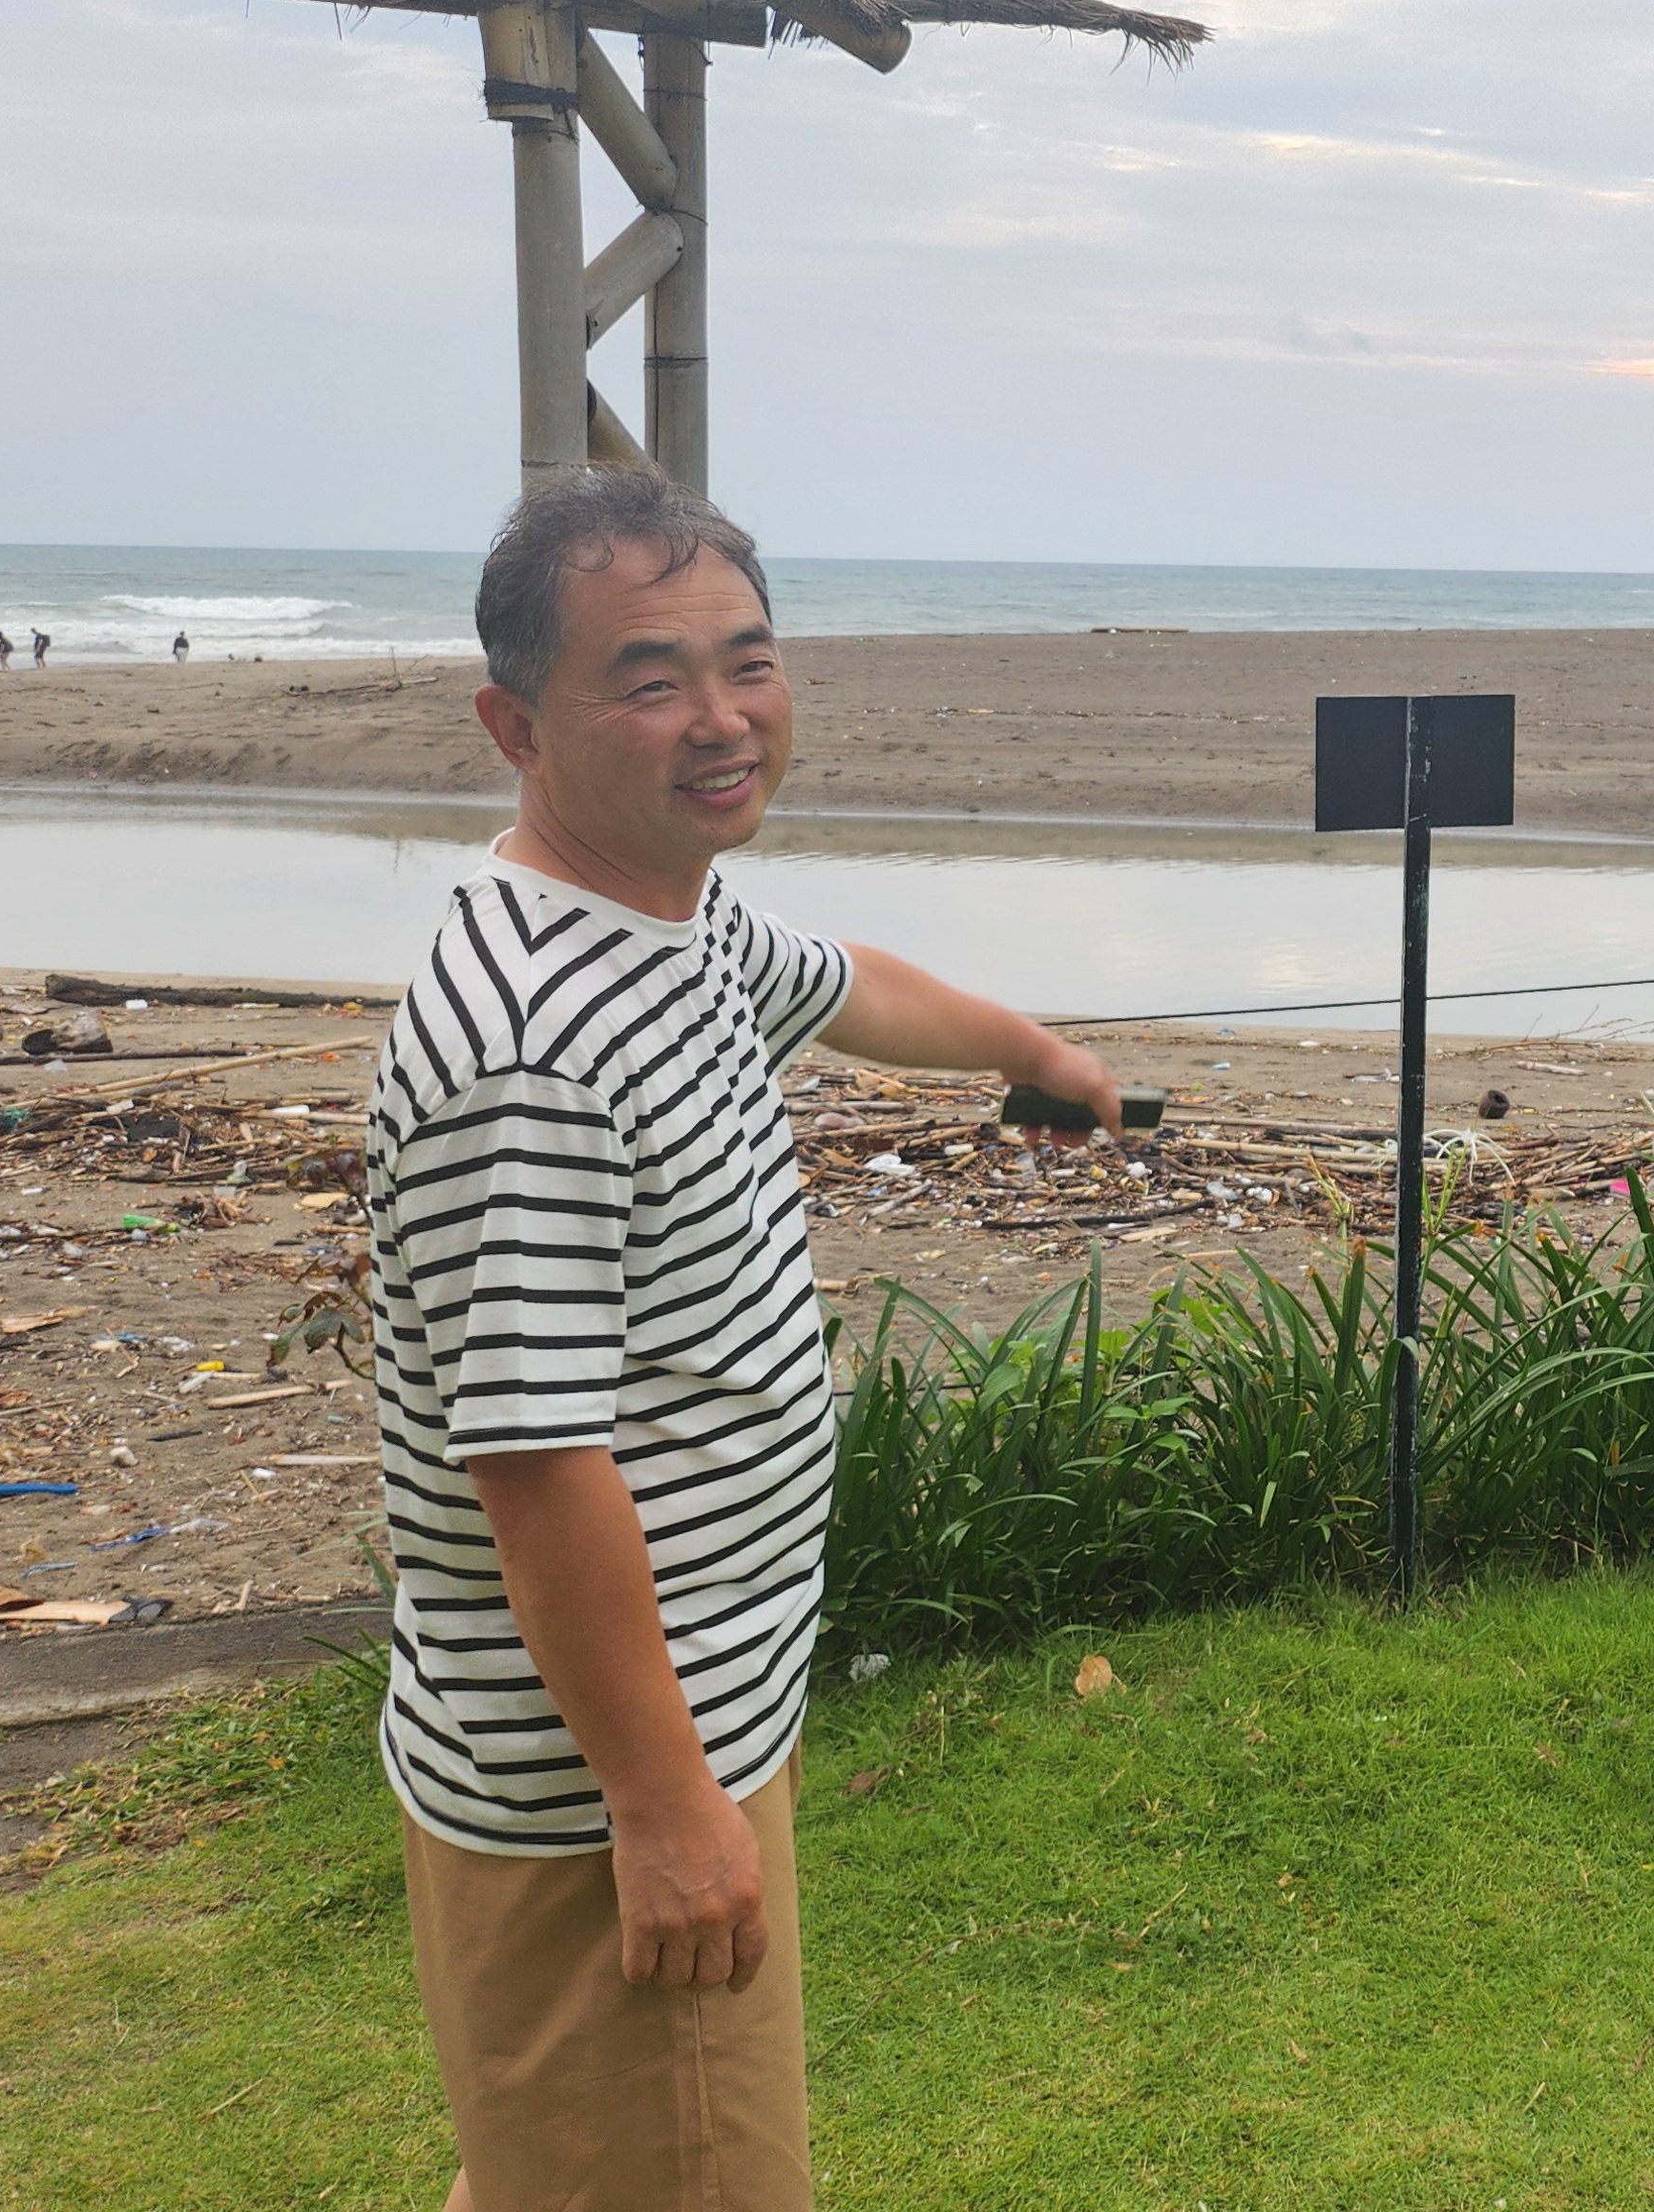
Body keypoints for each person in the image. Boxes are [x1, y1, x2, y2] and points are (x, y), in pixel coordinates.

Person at [366, 469, 1120, 2212]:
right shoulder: (534, 1046)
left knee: (555, 2173)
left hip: (683, 1721)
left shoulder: (671, 920)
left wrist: (1033, 1055)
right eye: (650, 679)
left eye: (749, 663)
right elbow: (536, 1461)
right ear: (515, 726)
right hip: (602, 1781)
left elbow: (841, 981)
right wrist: (661, 1805)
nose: (721, 718)